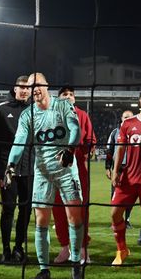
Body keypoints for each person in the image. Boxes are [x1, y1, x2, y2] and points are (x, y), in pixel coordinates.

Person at [6, 72, 84, 279]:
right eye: (31, 87)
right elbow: (20, 141)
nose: (35, 90)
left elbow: (76, 128)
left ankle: (76, 263)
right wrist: (11, 165)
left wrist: (70, 149)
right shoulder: (27, 115)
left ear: (47, 85)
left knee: (74, 218)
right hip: (42, 172)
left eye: (38, 85)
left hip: (67, 169)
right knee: (41, 221)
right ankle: (44, 269)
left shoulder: (63, 105)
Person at [0, 75, 33, 263]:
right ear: (14, 88)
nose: (24, 90)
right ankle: (5, 249)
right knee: (8, 209)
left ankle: (19, 247)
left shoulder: (36, 110)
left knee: (26, 210)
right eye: (21, 87)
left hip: (30, 167)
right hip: (7, 168)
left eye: (27, 88)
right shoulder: (1, 109)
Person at [110, 89, 141, 270]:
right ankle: (121, 250)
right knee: (114, 214)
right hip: (128, 178)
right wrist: (115, 171)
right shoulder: (128, 123)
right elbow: (120, 149)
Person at [53, 85, 96, 264]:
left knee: (80, 210)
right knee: (58, 210)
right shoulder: (51, 114)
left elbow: (91, 141)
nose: (69, 96)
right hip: (55, 171)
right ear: (59, 98)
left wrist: (81, 153)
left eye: (71, 94)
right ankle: (65, 249)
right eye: (65, 94)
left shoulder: (83, 116)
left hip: (78, 172)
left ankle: (83, 250)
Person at [105, 110, 134, 228]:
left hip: (132, 169)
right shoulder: (114, 133)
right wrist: (108, 167)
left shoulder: (136, 132)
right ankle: (116, 221)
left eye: (130, 117)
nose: (127, 119)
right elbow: (109, 151)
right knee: (115, 196)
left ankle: (126, 220)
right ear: (121, 118)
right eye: (125, 117)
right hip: (118, 169)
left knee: (130, 197)